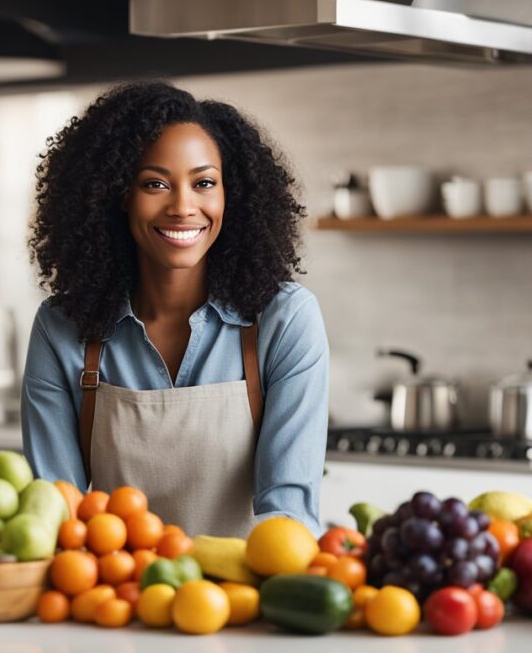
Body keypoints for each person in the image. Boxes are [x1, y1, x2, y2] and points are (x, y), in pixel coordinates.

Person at [21, 81, 328, 538]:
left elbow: (289, 516)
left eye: (204, 183)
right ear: (118, 195)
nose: (183, 206)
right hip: (109, 601)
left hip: (244, 596)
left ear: (232, 196)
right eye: (155, 184)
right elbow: (58, 513)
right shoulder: (62, 329)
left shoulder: (283, 321)